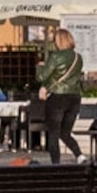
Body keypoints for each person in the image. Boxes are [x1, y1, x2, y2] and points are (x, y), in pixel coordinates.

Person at [31, 27, 86, 158]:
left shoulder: (55, 57)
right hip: (74, 97)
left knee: (54, 133)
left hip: (57, 98)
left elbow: (41, 77)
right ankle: (79, 156)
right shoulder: (78, 57)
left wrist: (39, 66)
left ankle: (56, 164)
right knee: (65, 132)